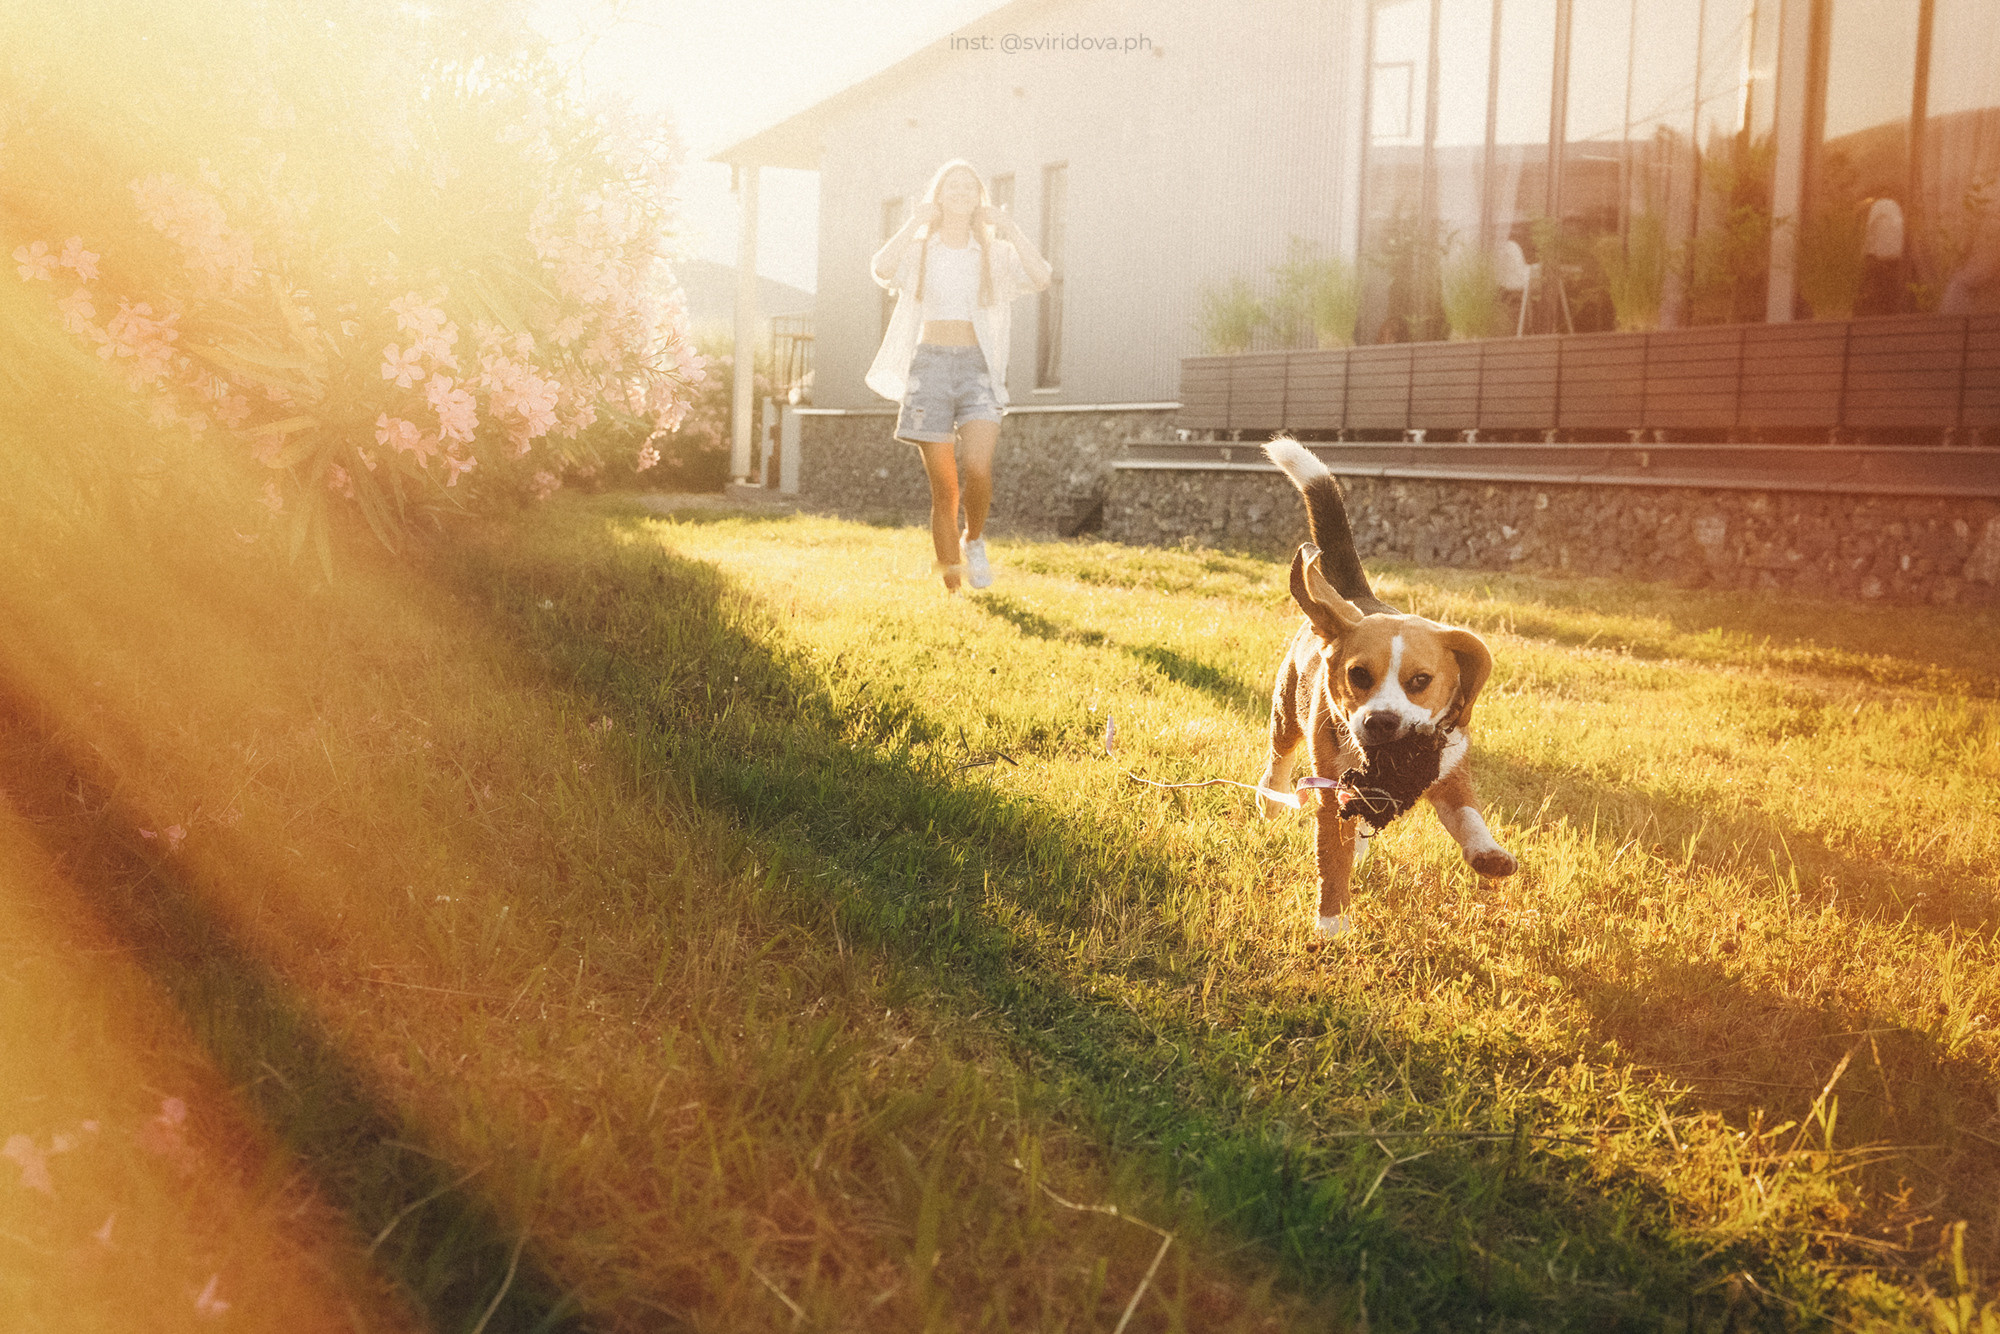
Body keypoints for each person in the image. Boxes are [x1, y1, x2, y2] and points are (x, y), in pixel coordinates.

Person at [867, 160, 1052, 592]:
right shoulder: (921, 249)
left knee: (978, 467)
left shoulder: (994, 253)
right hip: (929, 370)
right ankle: (952, 587)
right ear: (939, 194)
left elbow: (1041, 276)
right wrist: (914, 222)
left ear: (979, 198)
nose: (962, 191)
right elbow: (882, 268)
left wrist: (1008, 226)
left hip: (978, 369)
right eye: (953, 185)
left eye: (970, 186)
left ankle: (975, 538)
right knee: (945, 489)